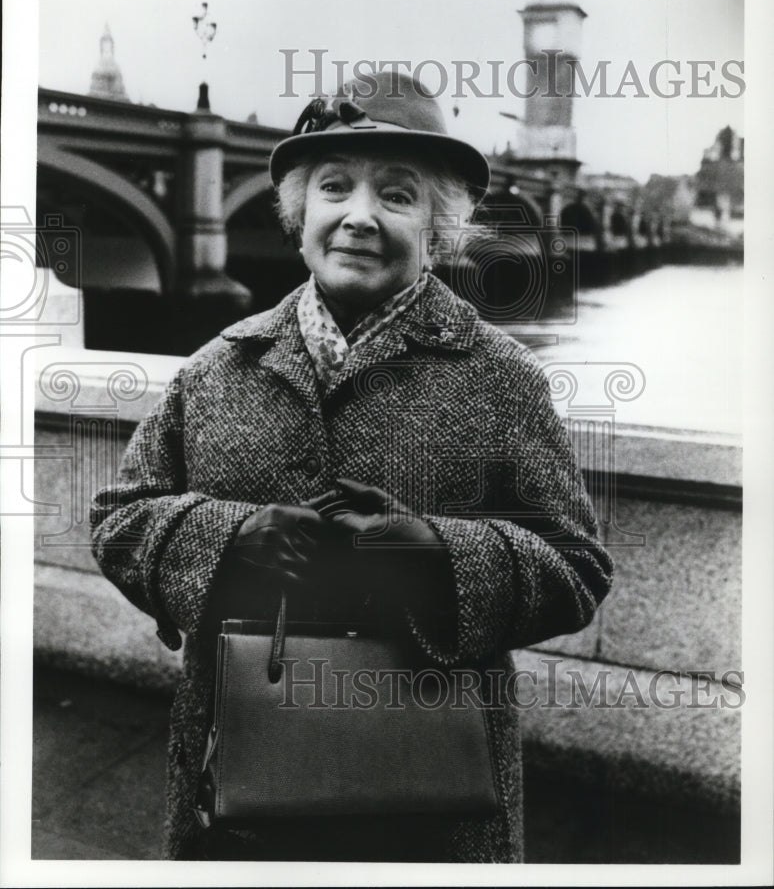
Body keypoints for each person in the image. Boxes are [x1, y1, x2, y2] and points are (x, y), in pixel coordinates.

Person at [90, 71, 613, 862]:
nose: (358, 218)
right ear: (300, 216)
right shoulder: (214, 369)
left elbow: (577, 569)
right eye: (334, 188)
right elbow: (119, 519)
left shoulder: (501, 376)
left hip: (434, 818)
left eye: (397, 196)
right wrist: (227, 538)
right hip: (233, 803)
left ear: (437, 228)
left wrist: (430, 549)